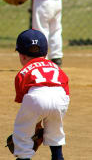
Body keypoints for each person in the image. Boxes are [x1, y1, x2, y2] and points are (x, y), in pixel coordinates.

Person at [12, 29, 70, 160]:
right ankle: (57, 156)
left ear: (22, 56)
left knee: (22, 131)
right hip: (60, 96)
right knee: (55, 131)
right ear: (46, 53)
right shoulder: (56, 68)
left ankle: (24, 156)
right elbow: (65, 87)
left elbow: (27, 102)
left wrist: (36, 125)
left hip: (36, 98)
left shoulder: (23, 72)